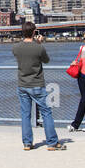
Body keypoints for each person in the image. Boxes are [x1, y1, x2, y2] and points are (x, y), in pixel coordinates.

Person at [12, 22, 63, 151]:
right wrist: (39, 44)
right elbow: (46, 60)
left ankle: (27, 143)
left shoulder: (16, 47)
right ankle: (52, 142)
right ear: (34, 32)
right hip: (37, 84)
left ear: (22, 32)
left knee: (25, 115)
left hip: (23, 85)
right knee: (46, 113)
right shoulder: (39, 48)